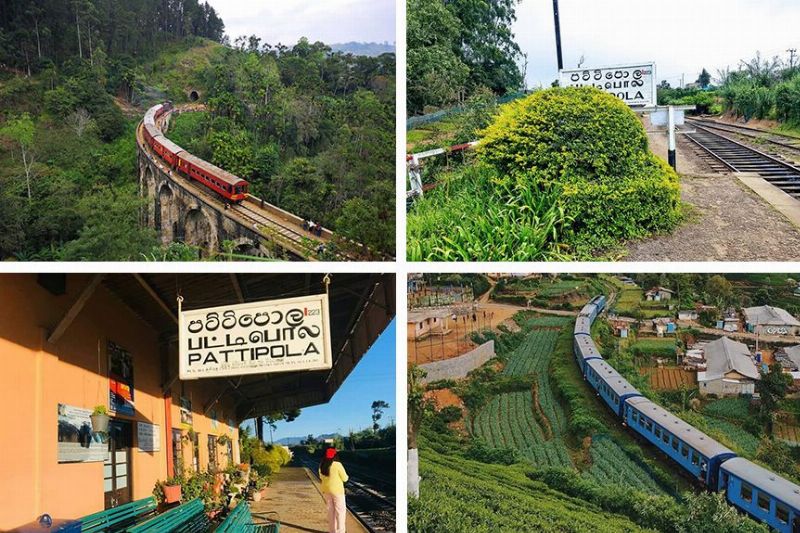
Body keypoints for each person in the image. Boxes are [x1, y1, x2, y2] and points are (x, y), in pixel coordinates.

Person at [319, 447, 348, 533]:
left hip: (326, 490)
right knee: (340, 512)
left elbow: (321, 477)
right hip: (337, 491)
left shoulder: (322, 464)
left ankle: (332, 531)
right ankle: (340, 531)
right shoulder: (337, 464)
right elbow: (345, 478)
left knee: (331, 511)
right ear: (335, 455)